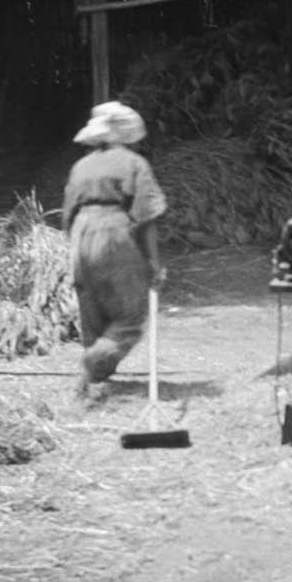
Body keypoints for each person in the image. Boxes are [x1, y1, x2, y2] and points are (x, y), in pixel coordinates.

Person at [62, 101, 167, 402]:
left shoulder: (80, 166)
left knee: (92, 309)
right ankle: (92, 361)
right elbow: (146, 216)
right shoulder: (134, 164)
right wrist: (154, 263)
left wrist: (77, 249)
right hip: (114, 229)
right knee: (131, 315)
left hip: (80, 233)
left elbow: (67, 214)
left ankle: (92, 378)